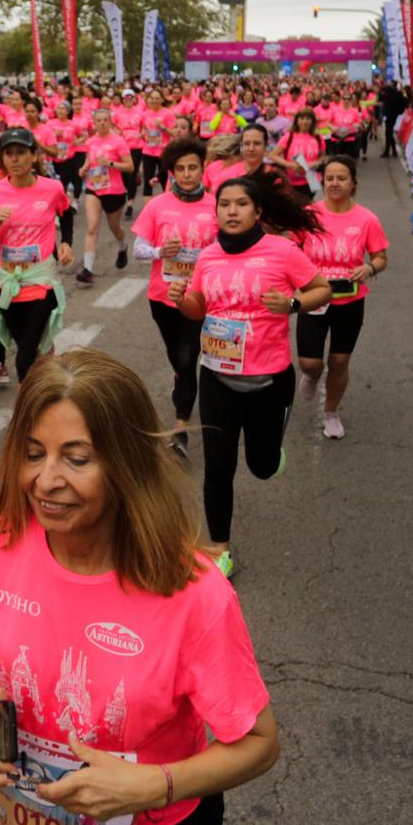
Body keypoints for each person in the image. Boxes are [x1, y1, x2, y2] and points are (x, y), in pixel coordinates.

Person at [0, 348, 280, 825]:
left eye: (77, 459)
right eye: (32, 454)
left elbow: (258, 743)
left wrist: (154, 785)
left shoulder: (193, 593)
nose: (46, 481)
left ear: (125, 465)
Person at [174, 173, 332, 578]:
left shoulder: (281, 251)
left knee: (261, 466)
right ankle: (220, 550)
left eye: (241, 203)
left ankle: (270, 453)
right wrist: (183, 300)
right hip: (217, 375)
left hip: (269, 378)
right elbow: (198, 308)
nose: (231, 210)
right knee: (218, 467)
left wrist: (293, 303)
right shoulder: (208, 256)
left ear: (258, 211)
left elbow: (322, 290)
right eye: (224, 204)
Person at [128, 138, 215, 457]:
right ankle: (181, 381)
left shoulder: (216, 205)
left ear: (203, 169)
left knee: (187, 358)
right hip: (162, 296)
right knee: (177, 358)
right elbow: (138, 249)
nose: (188, 174)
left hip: (199, 297)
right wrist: (159, 251)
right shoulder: (158, 205)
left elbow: (228, 247)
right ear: (172, 172)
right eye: (181, 169)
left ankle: (180, 428)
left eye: (193, 167)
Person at [0, 127, 75, 386]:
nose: (14, 159)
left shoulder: (52, 189)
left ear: (34, 156)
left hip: (40, 282)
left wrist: (66, 243)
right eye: (9, 154)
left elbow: (67, 213)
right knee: (30, 350)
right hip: (6, 283)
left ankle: (25, 419)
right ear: (2, 159)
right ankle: (46, 372)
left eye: (20, 153)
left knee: (24, 359)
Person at [296, 157, 389, 441]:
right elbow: (292, 249)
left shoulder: (367, 219)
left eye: (341, 178)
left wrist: (369, 267)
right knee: (309, 362)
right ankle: (313, 376)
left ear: (353, 184)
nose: (334, 183)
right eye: (329, 178)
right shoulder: (309, 215)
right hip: (313, 298)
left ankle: (331, 413)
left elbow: (381, 257)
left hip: (349, 301)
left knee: (339, 360)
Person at [74, 108, 131, 286]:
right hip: (94, 188)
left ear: (110, 121)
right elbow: (89, 160)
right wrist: (84, 168)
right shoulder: (90, 142)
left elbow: (130, 166)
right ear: (94, 123)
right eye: (99, 120)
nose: (102, 123)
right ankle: (88, 270)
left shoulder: (118, 142)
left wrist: (111, 163)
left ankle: (122, 246)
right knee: (92, 228)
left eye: (105, 120)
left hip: (114, 191)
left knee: (115, 228)